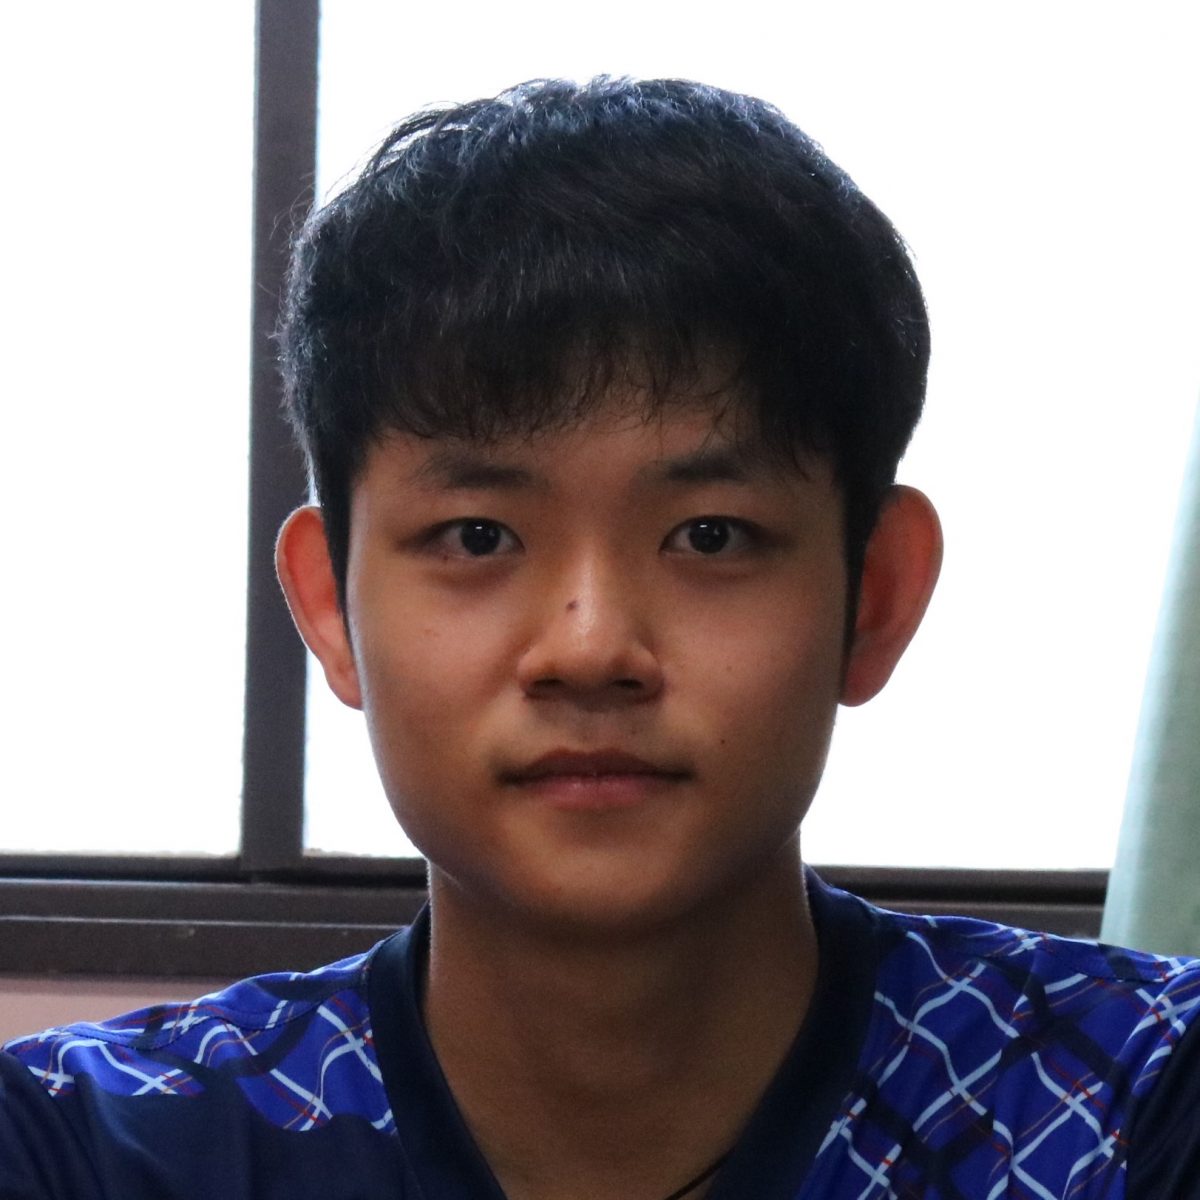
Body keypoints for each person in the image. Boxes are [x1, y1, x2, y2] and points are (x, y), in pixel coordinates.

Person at [3, 76, 1199, 1200]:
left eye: (711, 536)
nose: (589, 649)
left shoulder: (1136, 1098)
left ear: (875, 595)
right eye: (477, 537)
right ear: (330, 606)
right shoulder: (91, 1146)